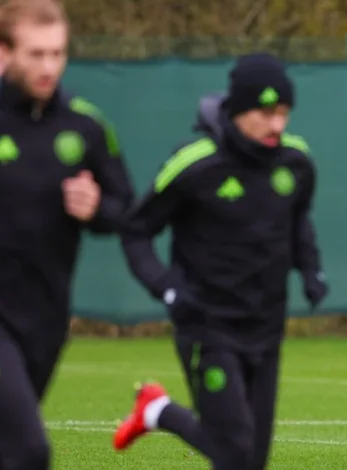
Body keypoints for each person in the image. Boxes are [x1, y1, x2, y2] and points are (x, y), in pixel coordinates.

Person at [112, 53, 328, 470]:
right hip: (206, 327)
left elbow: (299, 220)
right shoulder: (195, 165)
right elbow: (135, 230)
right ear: (238, 109)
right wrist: (167, 288)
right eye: (265, 113)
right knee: (233, 451)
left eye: (283, 113)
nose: (277, 125)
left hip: (266, 330)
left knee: (251, 461)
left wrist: (311, 268)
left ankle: (155, 410)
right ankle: (159, 412)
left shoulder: (296, 163)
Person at [0, 0, 135, 468]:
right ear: (4, 53)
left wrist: (96, 207)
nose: (48, 66)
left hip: (45, 319)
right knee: (29, 450)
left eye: (57, 54)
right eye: (36, 54)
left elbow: (125, 208)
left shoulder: (86, 126)